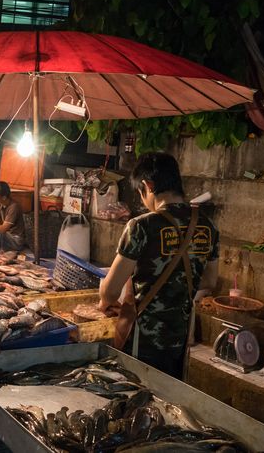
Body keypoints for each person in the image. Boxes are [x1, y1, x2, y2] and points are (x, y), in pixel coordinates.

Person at [98, 152, 219, 379]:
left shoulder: (142, 226)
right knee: (168, 398)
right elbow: (209, 281)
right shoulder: (208, 226)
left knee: (135, 397)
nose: (143, 200)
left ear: (148, 185)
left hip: (142, 340)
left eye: (140, 193)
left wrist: (104, 300)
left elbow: (111, 291)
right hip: (179, 338)